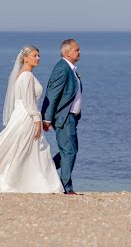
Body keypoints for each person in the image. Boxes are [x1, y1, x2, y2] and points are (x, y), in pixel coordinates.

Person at [0, 45, 64, 193]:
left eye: (38, 56)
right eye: (35, 56)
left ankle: (17, 180)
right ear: (25, 58)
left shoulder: (21, 75)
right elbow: (29, 102)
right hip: (27, 117)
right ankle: (22, 182)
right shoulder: (27, 76)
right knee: (25, 149)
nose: (38, 58)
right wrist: (37, 120)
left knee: (20, 148)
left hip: (21, 114)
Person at [41, 38, 82, 195]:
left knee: (71, 150)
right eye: (77, 50)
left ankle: (47, 171)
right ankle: (67, 188)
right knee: (68, 151)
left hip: (72, 118)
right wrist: (47, 118)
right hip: (64, 118)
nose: (79, 52)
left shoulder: (70, 69)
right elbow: (52, 93)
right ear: (67, 52)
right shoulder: (62, 68)